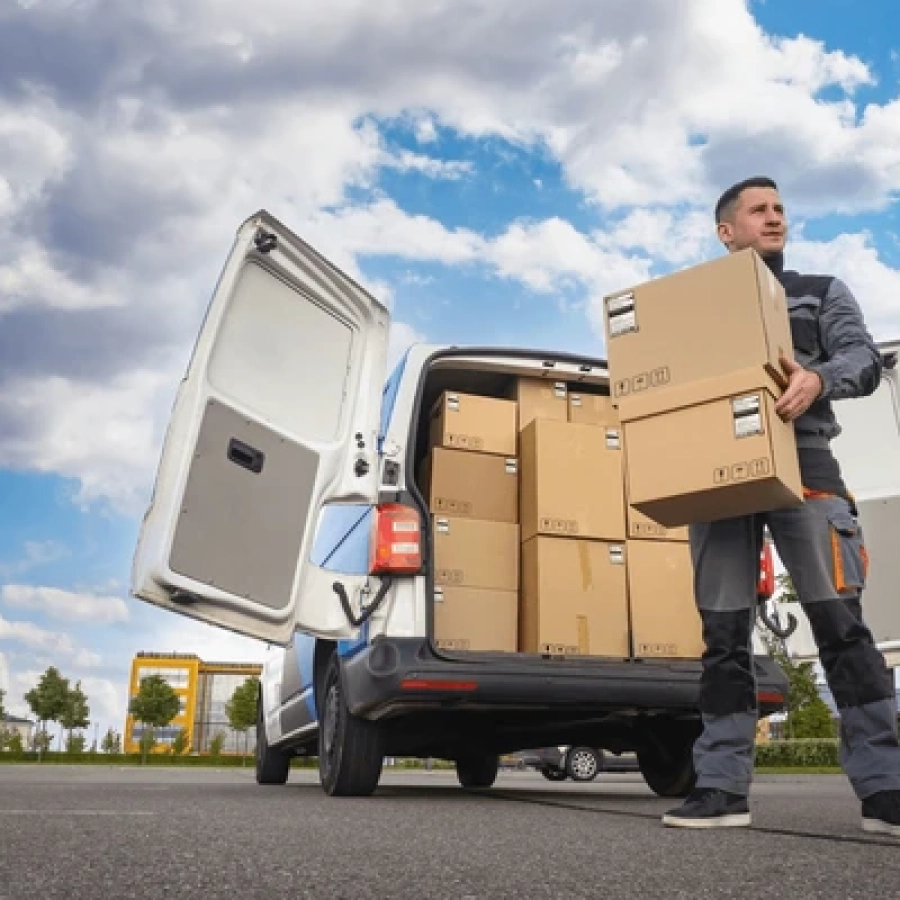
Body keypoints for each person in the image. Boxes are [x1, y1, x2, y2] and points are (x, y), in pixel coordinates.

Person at [662, 176, 900, 836]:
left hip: (807, 465)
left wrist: (818, 376)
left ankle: (885, 790)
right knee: (723, 636)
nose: (775, 218)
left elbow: (863, 358)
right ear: (727, 231)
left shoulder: (820, 291)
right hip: (717, 475)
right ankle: (720, 787)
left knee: (840, 626)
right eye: (758, 210)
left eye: (780, 209)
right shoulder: (690, 309)